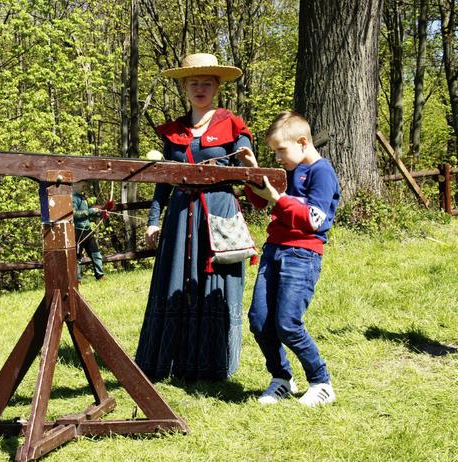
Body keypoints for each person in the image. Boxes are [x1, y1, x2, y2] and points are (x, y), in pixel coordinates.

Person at [134, 53, 254, 381]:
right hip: (181, 216)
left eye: (206, 83)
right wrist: (154, 219)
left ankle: (214, 364)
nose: (200, 88)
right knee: (175, 283)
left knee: (217, 284)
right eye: (193, 83)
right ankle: (169, 362)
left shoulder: (233, 124)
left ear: (216, 87)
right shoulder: (174, 131)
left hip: (218, 214)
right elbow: (163, 181)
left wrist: (247, 164)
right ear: (184, 88)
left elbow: (250, 170)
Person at [238, 111, 340, 406]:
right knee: (259, 320)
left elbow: (313, 219)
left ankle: (321, 382)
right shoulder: (291, 171)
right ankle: (281, 378)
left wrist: (278, 199)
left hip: (302, 254)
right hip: (274, 251)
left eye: (281, 150)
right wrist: (253, 171)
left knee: (287, 323)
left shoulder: (322, 172)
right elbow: (260, 200)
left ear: (303, 141)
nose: (279, 157)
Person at [72, 181, 112, 282]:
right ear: (75, 184)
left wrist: (101, 214)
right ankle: (77, 280)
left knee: (96, 253)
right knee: (77, 257)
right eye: (83, 185)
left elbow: (87, 213)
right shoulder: (73, 198)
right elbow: (74, 214)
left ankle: (100, 275)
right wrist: (91, 211)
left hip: (87, 230)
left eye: (85, 185)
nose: (85, 187)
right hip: (76, 231)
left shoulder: (82, 197)